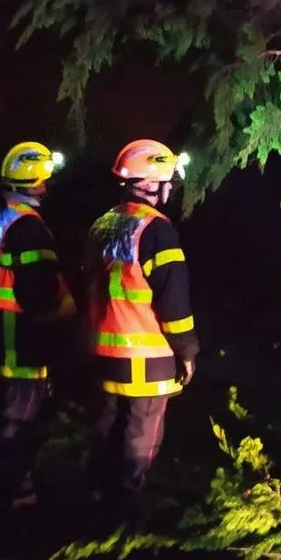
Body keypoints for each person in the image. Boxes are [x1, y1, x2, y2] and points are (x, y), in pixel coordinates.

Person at [82, 139, 198, 510]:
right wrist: (188, 350)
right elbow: (173, 301)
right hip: (146, 356)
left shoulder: (102, 224)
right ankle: (125, 510)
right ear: (150, 184)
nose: (170, 189)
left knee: (106, 427)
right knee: (140, 433)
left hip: (102, 350)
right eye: (167, 181)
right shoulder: (157, 231)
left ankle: (96, 494)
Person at [0, 141, 76, 506]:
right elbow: (39, 291)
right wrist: (63, 315)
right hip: (21, 342)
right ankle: (12, 495)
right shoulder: (30, 228)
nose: (46, 185)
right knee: (18, 421)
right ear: (34, 182)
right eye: (44, 178)